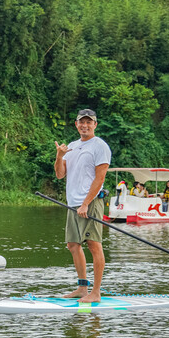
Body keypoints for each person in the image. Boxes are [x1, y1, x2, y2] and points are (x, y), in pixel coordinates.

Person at [54, 108, 112, 303]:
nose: (85, 125)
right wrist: (59, 156)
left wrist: (86, 203)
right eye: (82, 122)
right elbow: (60, 174)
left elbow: (100, 176)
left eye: (89, 122)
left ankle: (95, 293)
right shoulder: (71, 146)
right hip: (73, 204)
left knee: (94, 245)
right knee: (72, 245)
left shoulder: (99, 146)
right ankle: (82, 288)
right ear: (76, 124)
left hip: (91, 203)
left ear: (95, 125)